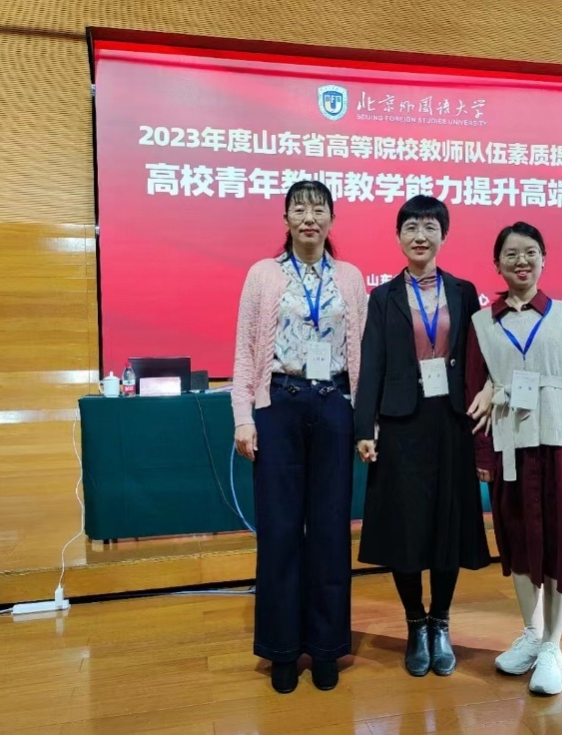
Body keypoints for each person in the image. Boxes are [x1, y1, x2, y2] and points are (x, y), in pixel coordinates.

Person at [231, 180, 368, 694]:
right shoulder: (263, 275)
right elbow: (245, 350)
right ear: (286, 218)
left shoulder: (350, 277)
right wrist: (243, 417)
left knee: (331, 531)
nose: (309, 217)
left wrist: (364, 421)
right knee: (281, 530)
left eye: (318, 209)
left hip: (334, 406)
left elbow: (363, 353)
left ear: (331, 219)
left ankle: (327, 647)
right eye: (299, 209)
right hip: (279, 405)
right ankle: (283, 649)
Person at [355, 195, 491, 678]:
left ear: (443, 236)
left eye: (430, 227)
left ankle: (441, 622)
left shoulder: (463, 291)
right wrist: (365, 426)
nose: (420, 236)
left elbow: (478, 353)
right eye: (411, 227)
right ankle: (415, 623)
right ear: (398, 237)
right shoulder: (383, 297)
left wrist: (490, 387)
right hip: (401, 424)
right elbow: (372, 362)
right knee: (407, 527)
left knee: (447, 524)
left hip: (452, 421)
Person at [466, 221, 562, 696]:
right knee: (518, 538)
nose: (520, 261)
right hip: (508, 442)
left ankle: (552, 646)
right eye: (510, 254)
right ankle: (530, 632)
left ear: (544, 259)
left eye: (529, 252)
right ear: (497, 264)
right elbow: (475, 390)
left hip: (559, 442)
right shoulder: (482, 323)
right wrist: (482, 451)